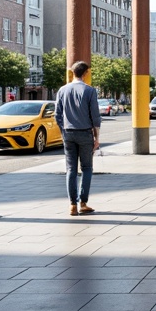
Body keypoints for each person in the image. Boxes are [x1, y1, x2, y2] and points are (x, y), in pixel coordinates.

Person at [54, 59, 101, 216]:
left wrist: (63, 130)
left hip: (68, 133)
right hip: (85, 133)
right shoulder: (90, 91)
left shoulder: (62, 90)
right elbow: (95, 116)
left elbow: (57, 114)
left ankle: (72, 205)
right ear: (86, 73)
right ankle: (83, 202)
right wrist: (97, 137)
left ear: (72, 73)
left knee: (70, 169)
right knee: (87, 168)